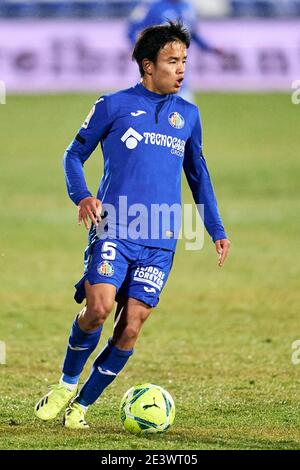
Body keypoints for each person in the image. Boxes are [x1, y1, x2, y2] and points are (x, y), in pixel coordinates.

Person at [34, 21, 230, 429]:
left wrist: (216, 228)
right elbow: (73, 154)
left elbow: (199, 174)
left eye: (184, 62)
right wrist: (83, 195)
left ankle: (82, 407)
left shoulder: (188, 116)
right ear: (147, 65)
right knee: (99, 308)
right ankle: (66, 383)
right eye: (172, 61)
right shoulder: (113, 105)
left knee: (130, 327)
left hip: (160, 239)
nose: (181, 70)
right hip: (114, 228)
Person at [128, 0, 227, 101]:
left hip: (178, 74)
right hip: (156, 72)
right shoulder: (153, 7)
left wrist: (210, 48)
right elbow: (132, 30)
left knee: (186, 110)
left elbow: (192, 33)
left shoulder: (188, 7)